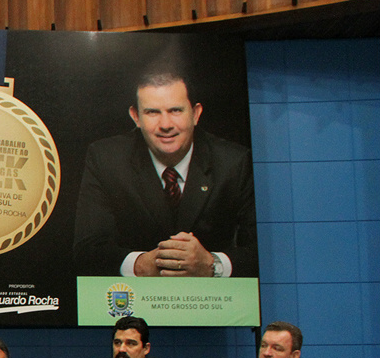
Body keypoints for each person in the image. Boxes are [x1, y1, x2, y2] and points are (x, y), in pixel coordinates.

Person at [73, 67, 257, 278]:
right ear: (136, 117)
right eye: (152, 112)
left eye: (176, 111)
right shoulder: (106, 159)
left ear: (196, 114)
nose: (166, 125)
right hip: (135, 300)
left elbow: (261, 252)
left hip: (213, 302)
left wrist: (211, 264)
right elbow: (87, 250)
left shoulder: (234, 163)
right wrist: (141, 264)